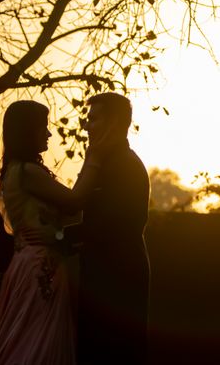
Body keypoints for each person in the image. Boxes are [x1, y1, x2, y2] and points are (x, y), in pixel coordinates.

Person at [0, 100, 103, 365]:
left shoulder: (15, 171)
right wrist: (93, 159)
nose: (49, 134)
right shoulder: (28, 172)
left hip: (26, 264)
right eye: (44, 128)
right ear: (29, 131)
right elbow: (74, 201)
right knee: (37, 340)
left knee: (25, 336)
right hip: (41, 267)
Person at [75, 92, 151, 365]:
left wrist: (58, 237)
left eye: (93, 119)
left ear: (115, 122)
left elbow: (111, 225)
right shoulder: (101, 162)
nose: (87, 126)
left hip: (119, 276)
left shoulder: (126, 167)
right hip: (100, 274)